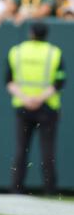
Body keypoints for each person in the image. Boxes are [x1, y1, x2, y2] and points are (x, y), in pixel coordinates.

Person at [6, 22, 66, 195]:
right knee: (48, 151)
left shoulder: (16, 51)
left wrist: (25, 98)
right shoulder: (54, 53)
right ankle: (50, 190)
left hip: (23, 107)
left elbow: (8, 81)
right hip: (47, 107)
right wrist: (38, 99)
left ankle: (16, 188)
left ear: (31, 33)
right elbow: (59, 82)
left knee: (21, 149)